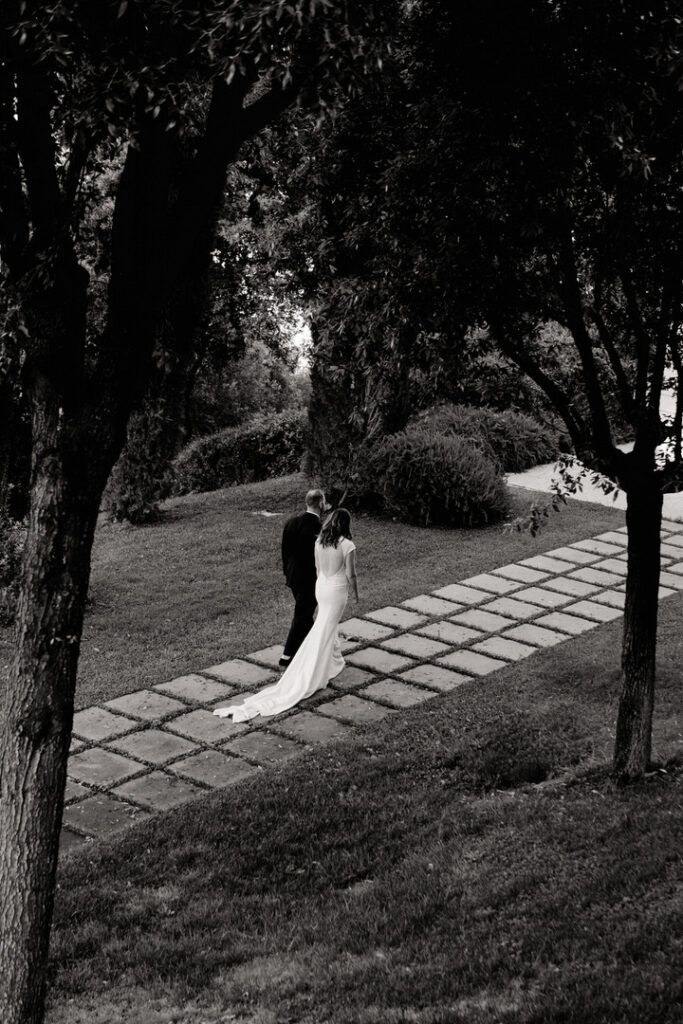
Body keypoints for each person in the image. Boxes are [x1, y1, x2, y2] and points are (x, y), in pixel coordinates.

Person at [214, 508, 359, 723]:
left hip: (322, 586)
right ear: (346, 524)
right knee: (326, 626)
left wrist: (322, 586)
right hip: (336, 589)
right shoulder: (347, 545)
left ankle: (335, 659)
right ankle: (316, 667)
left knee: (325, 623)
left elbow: (318, 569)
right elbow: (350, 574)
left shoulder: (320, 541)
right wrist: (356, 593)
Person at [278, 488, 328, 669]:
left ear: (307, 502)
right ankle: (287, 655)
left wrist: (287, 572)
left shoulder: (291, 522)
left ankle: (312, 649)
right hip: (309, 579)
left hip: (293, 577)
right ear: (321, 504)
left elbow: (285, 551)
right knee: (302, 614)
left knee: (305, 615)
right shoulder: (319, 528)